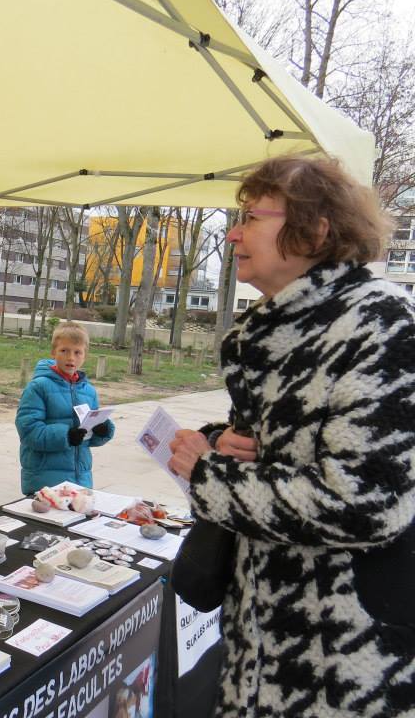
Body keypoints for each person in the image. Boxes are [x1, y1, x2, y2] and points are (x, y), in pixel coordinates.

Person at [167, 155, 415, 717]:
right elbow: (284, 451)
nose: (233, 232)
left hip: (342, 659)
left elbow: (366, 502)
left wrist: (210, 475)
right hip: (258, 639)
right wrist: (225, 442)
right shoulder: (275, 330)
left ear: (315, 229)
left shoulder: (381, 323)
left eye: (252, 217)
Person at [16, 321, 115, 495]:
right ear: (53, 351)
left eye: (77, 352)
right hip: (45, 482)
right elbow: (28, 431)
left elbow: (87, 438)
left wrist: (101, 430)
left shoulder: (89, 391)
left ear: (85, 355)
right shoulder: (38, 387)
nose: (71, 358)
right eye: (64, 351)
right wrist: (66, 435)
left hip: (80, 482)